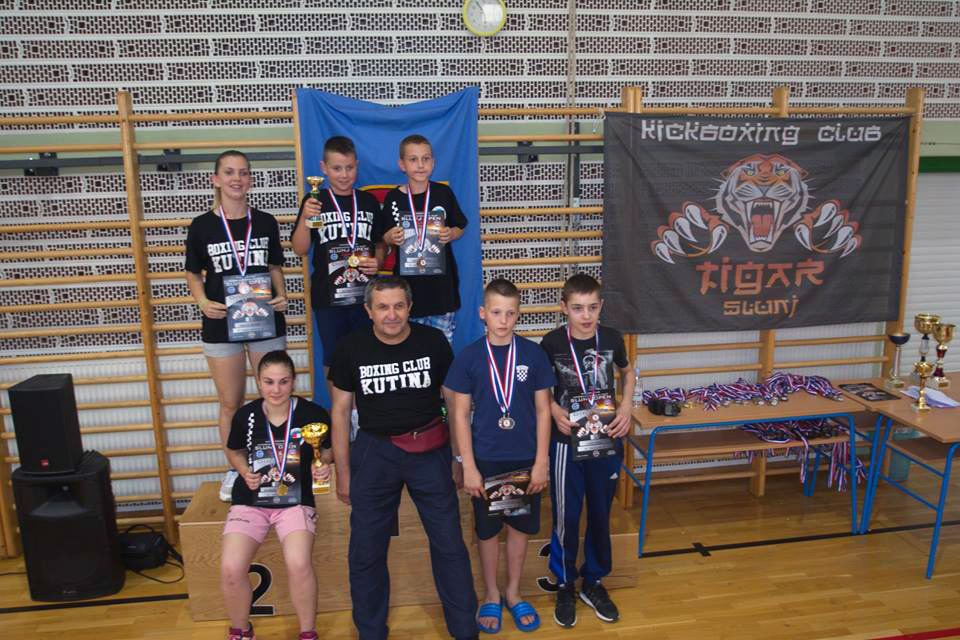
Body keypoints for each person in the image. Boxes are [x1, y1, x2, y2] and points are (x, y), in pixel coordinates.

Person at [328, 276, 478, 640]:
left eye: (398, 306)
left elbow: (452, 402)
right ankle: (370, 632)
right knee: (365, 551)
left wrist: (458, 456)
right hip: (374, 452)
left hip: (430, 449)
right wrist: (344, 473)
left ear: (410, 307)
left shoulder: (434, 341)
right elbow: (340, 412)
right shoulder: (350, 348)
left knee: (450, 545)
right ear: (368, 311)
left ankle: (464, 631)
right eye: (383, 307)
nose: (391, 315)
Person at [444, 278, 555, 633]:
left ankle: (513, 592)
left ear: (519, 314)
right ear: (483, 314)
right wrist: (467, 465)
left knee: (520, 528)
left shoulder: (533, 355)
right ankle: (491, 593)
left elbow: (543, 411)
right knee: (488, 531)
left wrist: (541, 461)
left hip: (524, 458)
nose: (503, 320)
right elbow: (460, 414)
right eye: (496, 313)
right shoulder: (469, 358)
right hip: (486, 460)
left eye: (510, 313)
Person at [185, 150, 288, 501]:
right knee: (231, 402)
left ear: (251, 180)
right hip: (221, 322)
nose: (237, 179)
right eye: (229, 172)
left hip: (264, 320)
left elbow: (274, 267)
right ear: (216, 179)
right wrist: (202, 302)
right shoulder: (202, 225)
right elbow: (193, 274)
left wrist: (282, 295)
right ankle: (236, 469)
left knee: (273, 397)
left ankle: (272, 464)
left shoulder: (266, 222)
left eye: (243, 173)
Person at [539, 273, 635, 628]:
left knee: (599, 512)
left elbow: (627, 372)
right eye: (578, 308)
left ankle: (593, 581)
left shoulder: (611, 338)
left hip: (605, 439)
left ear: (601, 306)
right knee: (566, 515)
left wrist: (626, 407)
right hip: (566, 442)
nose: (586, 315)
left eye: (593, 307)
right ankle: (565, 583)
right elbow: (540, 388)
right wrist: (553, 409)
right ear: (564, 307)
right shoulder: (551, 343)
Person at [220, 350, 332, 640]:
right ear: (258, 381)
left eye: (283, 381)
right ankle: (241, 631)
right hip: (251, 500)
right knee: (231, 568)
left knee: (299, 563)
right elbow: (234, 451)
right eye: (269, 382)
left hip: (295, 501)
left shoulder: (313, 414)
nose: (276, 389)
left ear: (294, 381)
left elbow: (327, 451)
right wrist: (244, 471)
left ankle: (307, 633)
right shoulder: (245, 416)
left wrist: (322, 465)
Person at [291, 135, 386, 392]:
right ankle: (341, 410)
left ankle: (363, 412)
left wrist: (377, 260)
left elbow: (380, 243)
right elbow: (300, 248)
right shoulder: (315, 202)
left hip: (365, 296)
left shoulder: (368, 202)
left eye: (349, 167)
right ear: (324, 168)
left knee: (368, 355)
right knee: (334, 359)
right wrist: (306, 218)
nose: (344, 175)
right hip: (329, 298)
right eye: (336, 168)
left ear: (357, 165)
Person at [381, 134, 467, 345]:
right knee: (411, 347)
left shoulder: (443, 193)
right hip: (408, 291)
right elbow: (382, 237)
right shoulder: (394, 198)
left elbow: (460, 226)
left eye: (425, 159)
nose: (420, 165)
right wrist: (390, 237)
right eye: (413, 159)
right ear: (402, 165)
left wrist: (451, 233)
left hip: (441, 288)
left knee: (442, 347)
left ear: (433, 162)